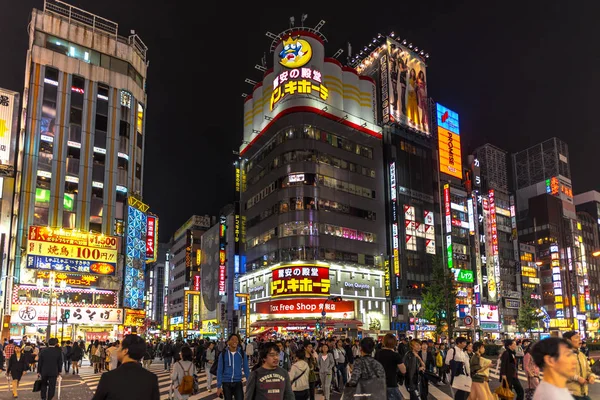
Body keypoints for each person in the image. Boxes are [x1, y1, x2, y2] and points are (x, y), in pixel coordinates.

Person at [92, 334, 160, 400]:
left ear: (125, 351)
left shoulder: (108, 377)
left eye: (119, 347)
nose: (117, 349)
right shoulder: (151, 378)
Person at [563, 330, 596, 400]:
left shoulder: (582, 355)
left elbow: (588, 370)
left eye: (580, 338)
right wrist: (577, 378)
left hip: (583, 393)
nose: (580, 340)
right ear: (568, 341)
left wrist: (591, 376)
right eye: (576, 338)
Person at [216, 333, 249, 400]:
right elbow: (219, 370)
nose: (235, 341)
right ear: (228, 342)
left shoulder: (242, 353)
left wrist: (250, 382)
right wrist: (219, 386)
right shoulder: (223, 354)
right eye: (232, 339)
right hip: (226, 383)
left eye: (236, 339)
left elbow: (246, 369)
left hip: (238, 382)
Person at [374, 333, 403, 400]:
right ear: (395, 343)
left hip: (379, 383)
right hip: (391, 383)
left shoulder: (378, 353)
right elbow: (403, 370)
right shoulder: (396, 355)